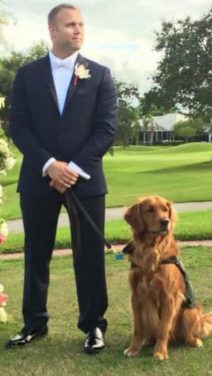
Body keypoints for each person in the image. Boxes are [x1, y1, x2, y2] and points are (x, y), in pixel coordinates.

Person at [5, 3, 117, 354]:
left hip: (85, 182)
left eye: (81, 24)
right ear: (52, 30)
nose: (78, 30)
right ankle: (34, 323)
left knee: (89, 256)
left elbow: (106, 129)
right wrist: (50, 164)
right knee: (36, 254)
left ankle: (94, 326)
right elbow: (18, 127)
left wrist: (73, 169)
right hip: (39, 180)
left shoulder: (99, 74)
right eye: (70, 24)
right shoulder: (27, 75)